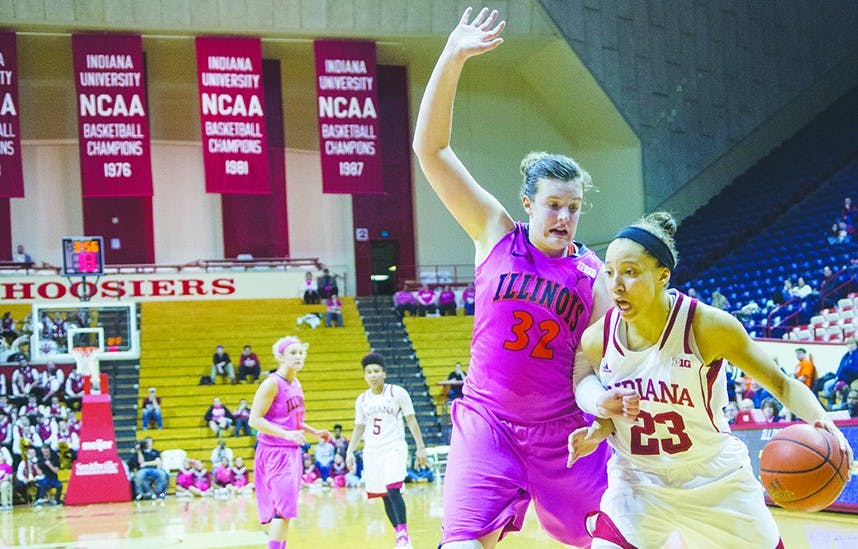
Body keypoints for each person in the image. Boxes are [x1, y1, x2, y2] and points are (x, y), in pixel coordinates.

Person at [412, 7, 611, 547]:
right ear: (527, 203)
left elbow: (598, 364)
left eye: (574, 208)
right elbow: (431, 151)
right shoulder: (494, 233)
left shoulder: (593, 276)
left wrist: (603, 415)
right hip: (488, 423)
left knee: (619, 538)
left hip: (564, 432)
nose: (564, 217)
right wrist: (452, 56)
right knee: (461, 543)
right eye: (553, 205)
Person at [568, 211, 853, 548]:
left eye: (630, 272)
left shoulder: (707, 326)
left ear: (662, 275)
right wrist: (597, 429)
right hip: (638, 481)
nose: (616, 285)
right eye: (610, 272)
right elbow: (605, 405)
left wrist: (825, 422)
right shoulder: (599, 338)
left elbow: (781, 384)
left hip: (713, 479)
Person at [248, 335, 332, 549]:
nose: (298, 356)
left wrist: (314, 432)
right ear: (281, 357)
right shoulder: (272, 383)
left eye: (300, 353)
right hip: (274, 451)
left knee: (286, 511)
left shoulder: (296, 383)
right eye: (292, 353)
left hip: (291, 452)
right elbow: (254, 420)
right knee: (281, 510)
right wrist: (286, 435)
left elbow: (293, 420)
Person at [345, 353, 428, 549]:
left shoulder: (397, 393)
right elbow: (359, 427)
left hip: (394, 448)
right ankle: (400, 535)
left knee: (392, 488)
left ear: (384, 373)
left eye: (376, 371)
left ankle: (404, 534)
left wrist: (420, 447)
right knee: (384, 494)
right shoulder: (362, 399)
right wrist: (349, 451)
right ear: (364, 376)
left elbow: (411, 420)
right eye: (368, 372)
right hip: (373, 451)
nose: (373, 375)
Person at [823, 338, 858, 407]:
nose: (850, 346)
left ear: (856, 345)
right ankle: (830, 404)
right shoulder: (846, 355)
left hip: (850, 379)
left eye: (852, 344)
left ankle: (840, 404)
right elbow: (840, 368)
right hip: (840, 378)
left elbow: (855, 370)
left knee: (839, 387)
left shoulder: (856, 355)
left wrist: (847, 366)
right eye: (849, 344)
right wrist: (837, 377)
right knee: (827, 384)